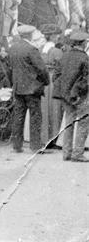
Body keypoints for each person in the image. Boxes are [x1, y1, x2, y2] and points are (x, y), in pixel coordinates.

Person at [8, 25, 51, 153]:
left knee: (18, 117)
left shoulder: (13, 49)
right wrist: (46, 81)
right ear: (30, 35)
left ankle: (17, 145)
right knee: (35, 117)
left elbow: (10, 68)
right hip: (32, 89)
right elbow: (42, 69)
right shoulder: (32, 49)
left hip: (18, 88)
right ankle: (35, 146)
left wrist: (13, 83)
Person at [53, 31, 89, 162]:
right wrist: (78, 92)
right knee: (84, 122)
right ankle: (78, 153)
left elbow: (56, 76)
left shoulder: (64, 56)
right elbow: (86, 80)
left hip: (65, 96)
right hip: (80, 96)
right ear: (83, 43)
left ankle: (66, 153)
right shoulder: (85, 58)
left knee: (69, 122)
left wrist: (64, 90)